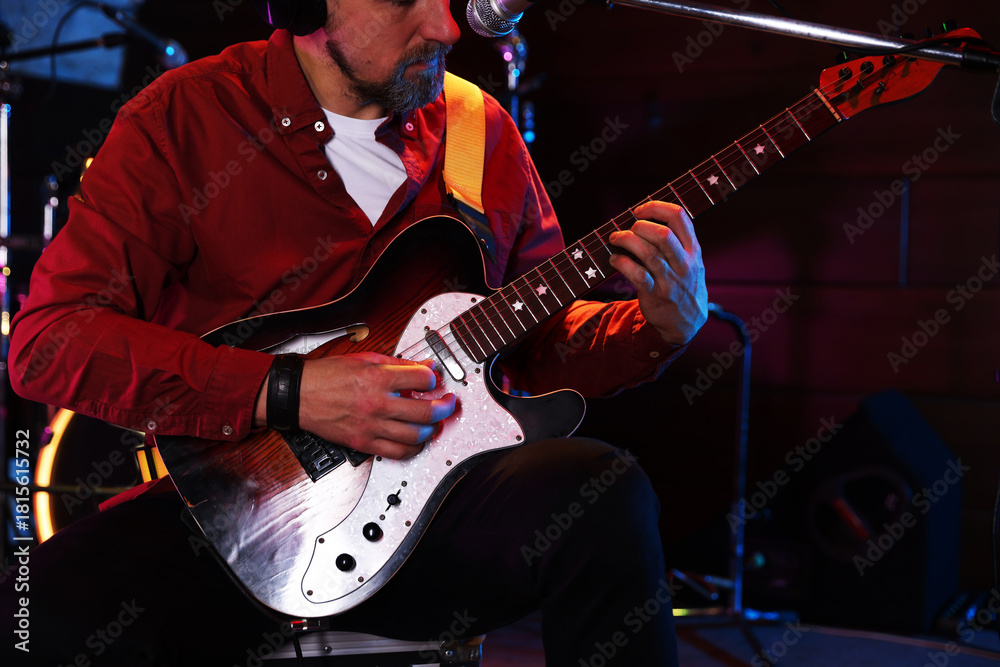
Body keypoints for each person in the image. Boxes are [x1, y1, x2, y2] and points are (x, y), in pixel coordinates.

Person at [0, 0, 707, 663]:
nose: (446, 27)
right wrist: (286, 390)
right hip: (231, 522)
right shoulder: (185, 116)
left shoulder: (478, 129)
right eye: (405, 1)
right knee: (26, 618)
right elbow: (49, 341)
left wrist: (656, 325)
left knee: (603, 492)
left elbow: (537, 344)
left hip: (431, 521)